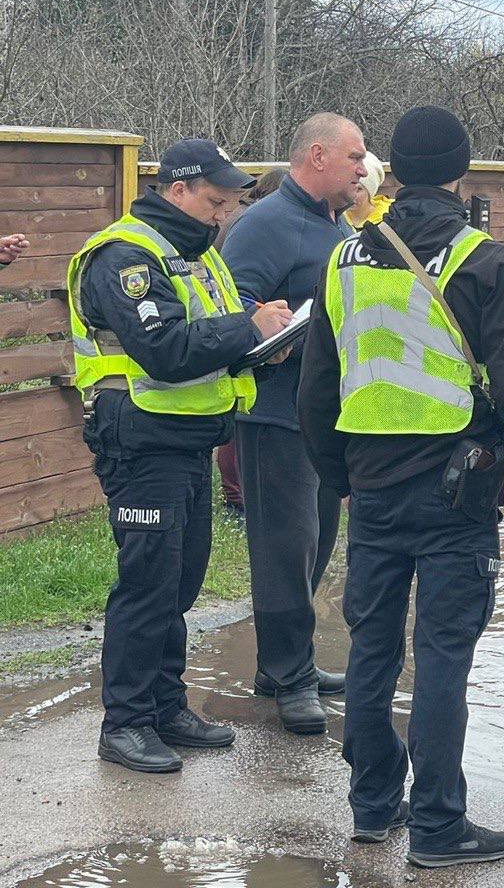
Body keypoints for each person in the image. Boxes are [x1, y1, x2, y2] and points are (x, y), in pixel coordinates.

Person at [298, 106, 504, 868]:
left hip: (373, 488)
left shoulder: (343, 258)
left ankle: (372, 806)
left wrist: (340, 479)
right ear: (461, 168)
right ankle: (440, 828)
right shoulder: (485, 259)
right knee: (443, 655)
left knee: (374, 650)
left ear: (392, 167)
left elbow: (317, 391)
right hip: (459, 492)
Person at [65, 139, 294, 773]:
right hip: (138, 441)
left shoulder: (192, 256)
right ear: (178, 191)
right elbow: (163, 349)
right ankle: (126, 721)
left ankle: (165, 704)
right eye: (216, 202)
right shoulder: (125, 256)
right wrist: (247, 329)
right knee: (147, 583)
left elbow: (211, 335)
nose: (225, 216)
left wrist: (262, 337)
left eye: (230, 205)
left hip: (186, 438)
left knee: (181, 580)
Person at [221, 113, 367, 734]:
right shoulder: (263, 224)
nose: (364, 168)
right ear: (317, 156)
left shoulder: (335, 226)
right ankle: (289, 678)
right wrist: (264, 321)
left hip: (326, 416)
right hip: (274, 414)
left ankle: (284, 662)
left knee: (317, 543)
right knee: (285, 549)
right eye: (355, 156)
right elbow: (231, 306)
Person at [213, 168, 286, 517]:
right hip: (244, 330)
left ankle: (234, 496)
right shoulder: (252, 224)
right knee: (237, 422)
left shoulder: (238, 219)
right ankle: (235, 498)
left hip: (233, 331)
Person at [345, 151, 393, 228]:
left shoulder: (388, 218)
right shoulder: (336, 217)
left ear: (370, 192)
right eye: (347, 186)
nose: (350, 194)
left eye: (359, 189)